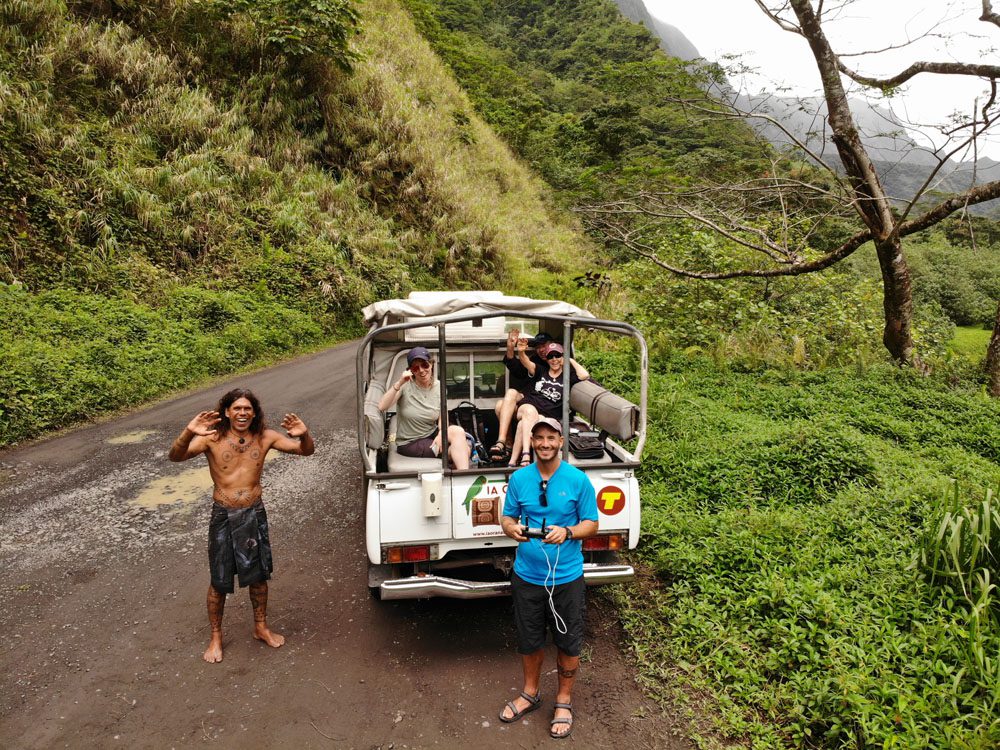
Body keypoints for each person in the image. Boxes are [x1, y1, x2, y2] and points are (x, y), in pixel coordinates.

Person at [168, 388, 315, 664]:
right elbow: (175, 456)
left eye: (247, 408)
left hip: (253, 513)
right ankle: (216, 636)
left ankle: (260, 627)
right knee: (219, 579)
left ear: (254, 412)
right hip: (223, 515)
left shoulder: (266, 436)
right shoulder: (211, 438)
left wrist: (304, 434)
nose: (243, 413)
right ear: (226, 411)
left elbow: (305, 451)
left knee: (258, 575)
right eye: (237, 408)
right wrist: (189, 431)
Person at [498, 417, 599, 739]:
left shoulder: (578, 479)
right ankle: (530, 693)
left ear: (560, 441)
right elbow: (508, 516)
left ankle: (564, 700)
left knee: (568, 641)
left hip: (567, 576)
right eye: (539, 437)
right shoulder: (519, 478)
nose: (544, 443)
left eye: (551, 437)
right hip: (527, 575)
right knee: (529, 640)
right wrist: (511, 528)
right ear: (532, 440)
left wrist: (568, 532)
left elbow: (591, 524)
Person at [378, 346, 471, 469]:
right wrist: (399, 382)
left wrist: (441, 434)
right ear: (411, 371)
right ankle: (462, 479)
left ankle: (459, 477)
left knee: (458, 431)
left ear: (431, 364)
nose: (421, 370)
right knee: (464, 450)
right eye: (416, 368)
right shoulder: (405, 386)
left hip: (431, 433)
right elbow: (382, 406)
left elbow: (442, 415)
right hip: (410, 442)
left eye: (425, 365)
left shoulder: (439, 386)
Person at [509, 340, 589, 467]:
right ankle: (526, 455)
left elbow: (585, 375)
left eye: (557, 355)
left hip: (549, 416)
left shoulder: (568, 377)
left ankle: (512, 462)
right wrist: (521, 351)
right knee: (530, 413)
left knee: (522, 425)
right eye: (550, 356)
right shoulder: (541, 371)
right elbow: (526, 363)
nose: (554, 359)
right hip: (529, 407)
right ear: (546, 359)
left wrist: (569, 360)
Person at [489, 330, 551, 465]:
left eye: (544, 346)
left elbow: (582, 376)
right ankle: (504, 443)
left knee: (525, 409)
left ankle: (522, 455)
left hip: (542, 406)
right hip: (527, 400)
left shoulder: (558, 364)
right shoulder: (535, 360)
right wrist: (511, 348)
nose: (541, 350)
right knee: (503, 401)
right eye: (538, 346)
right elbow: (518, 369)